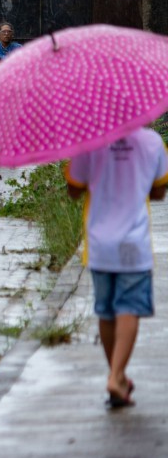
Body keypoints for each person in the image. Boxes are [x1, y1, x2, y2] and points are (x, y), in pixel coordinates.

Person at [65, 127, 168, 408]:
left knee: (107, 311)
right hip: (133, 244)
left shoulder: (89, 142)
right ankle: (116, 376)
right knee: (129, 308)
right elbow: (160, 191)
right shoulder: (152, 142)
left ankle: (117, 376)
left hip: (100, 245)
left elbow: (74, 189)